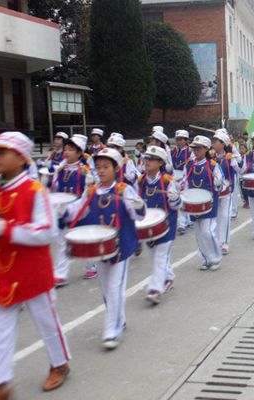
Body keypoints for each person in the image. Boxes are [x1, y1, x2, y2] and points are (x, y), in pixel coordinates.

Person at [0, 132, 71, 399]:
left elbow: (47, 232)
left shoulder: (35, 190)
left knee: (47, 323)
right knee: (1, 330)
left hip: (32, 271)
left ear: (20, 158)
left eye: (2, 152)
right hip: (1, 270)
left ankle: (60, 364)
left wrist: (4, 229)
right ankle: (1, 383)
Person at [61, 148, 146, 349]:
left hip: (120, 246)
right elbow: (77, 210)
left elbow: (139, 216)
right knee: (106, 289)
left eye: (106, 167)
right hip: (99, 247)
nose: (101, 171)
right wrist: (61, 209)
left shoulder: (124, 190)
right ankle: (119, 319)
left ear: (116, 169)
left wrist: (138, 205)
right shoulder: (91, 191)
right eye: (98, 167)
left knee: (114, 287)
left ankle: (112, 331)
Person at [138, 146, 181, 304]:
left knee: (160, 257)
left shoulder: (168, 181)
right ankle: (168, 277)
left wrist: (175, 198)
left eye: (152, 159)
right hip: (148, 226)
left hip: (166, 226)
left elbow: (177, 205)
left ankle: (155, 289)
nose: (147, 162)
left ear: (160, 163)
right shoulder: (141, 181)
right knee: (154, 255)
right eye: (146, 159)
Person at [50, 134, 94, 287]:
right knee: (61, 241)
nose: (66, 152)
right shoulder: (61, 169)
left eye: (70, 149)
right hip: (62, 209)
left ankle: (92, 265)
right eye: (65, 149)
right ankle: (61, 274)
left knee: (84, 239)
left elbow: (87, 194)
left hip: (80, 209)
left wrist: (76, 209)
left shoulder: (85, 171)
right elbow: (55, 189)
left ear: (79, 153)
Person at [182, 135, 224, 270]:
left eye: (199, 148)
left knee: (207, 231)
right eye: (194, 148)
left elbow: (221, 184)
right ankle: (206, 259)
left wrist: (218, 183)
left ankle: (215, 258)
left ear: (206, 149)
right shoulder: (189, 165)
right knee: (199, 233)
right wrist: (181, 193)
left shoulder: (213, 165)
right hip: (193, 204)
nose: (196, 151)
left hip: (208, 204)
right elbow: (184, 182)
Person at [212, 130, 241, 255]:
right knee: (216, 217)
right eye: (213, 141)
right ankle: (218, 240)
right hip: (214, 191)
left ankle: (224, 242)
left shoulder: (230, 156)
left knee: (225, 215)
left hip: (226, 191)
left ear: (223, 143)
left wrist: (236, 159)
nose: (213, 143)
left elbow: (240, 169)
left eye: (216, 141)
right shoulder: (211, 157)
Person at [172, 129, 194, 234]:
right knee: (177, 200)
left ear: (186, 140)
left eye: (181, 139)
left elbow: (191, 165)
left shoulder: (190, 152)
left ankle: (183, 223)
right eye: (177, 139)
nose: (179, 142)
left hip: (185, 177)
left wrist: (184, 178)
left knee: (185, 200)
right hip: (174, 178)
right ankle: (183, 222)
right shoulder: (173, 151)